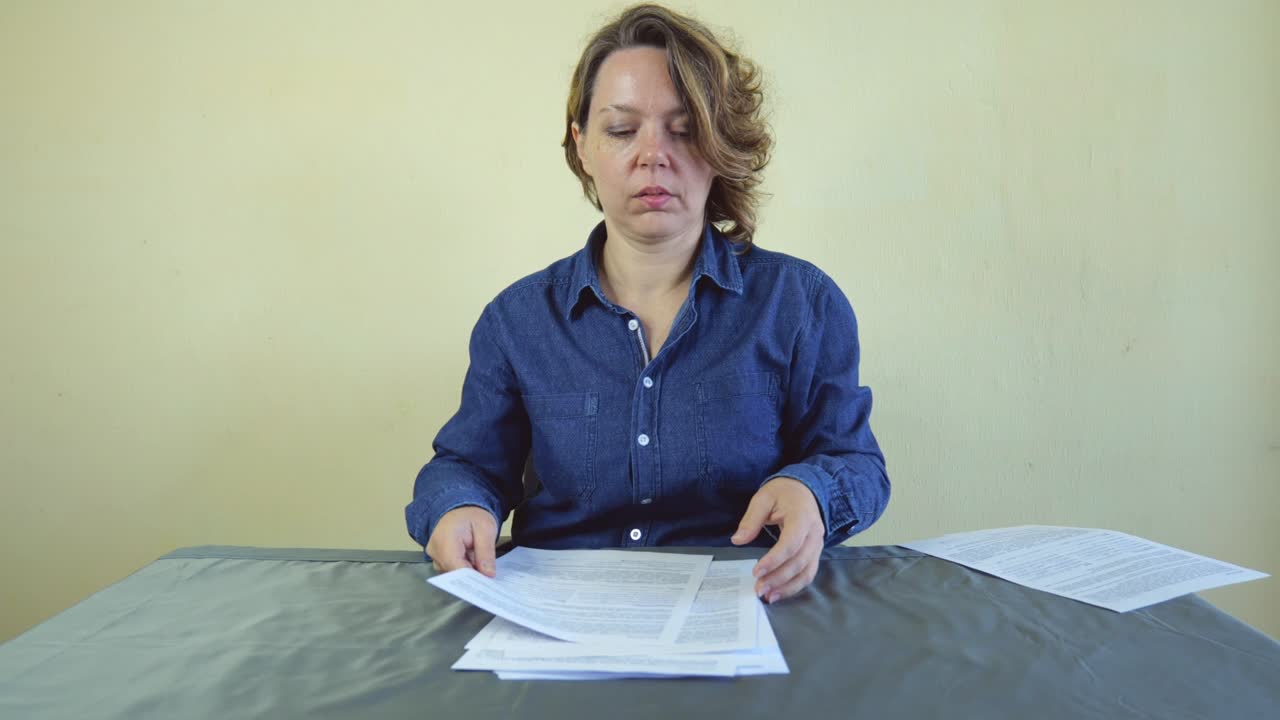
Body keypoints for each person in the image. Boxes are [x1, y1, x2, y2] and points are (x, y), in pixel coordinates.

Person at [406, 3, 888, 604]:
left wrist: (813, 490)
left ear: (720, 147)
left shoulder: (801, 303)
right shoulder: (517, 320)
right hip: (561, 616)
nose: (652, 154)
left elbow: (857, 462)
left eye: (684, 130)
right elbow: (465, 465)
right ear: (582, 147)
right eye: (621, 129)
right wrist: (458, 508)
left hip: (744, 608)